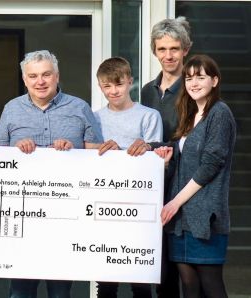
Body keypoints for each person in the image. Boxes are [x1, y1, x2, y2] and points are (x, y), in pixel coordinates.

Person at [0, 50, 102, 298]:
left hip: (66, 217)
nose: (39, 81)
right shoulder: (11, 109)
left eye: (46, 74)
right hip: (23, 216)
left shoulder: (80, 107)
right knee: (20, 291)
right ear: (24, 80)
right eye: (33, 76)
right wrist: (16, 150)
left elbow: (98, 155)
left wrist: (74, 151)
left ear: (57, 76)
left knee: (60, 292)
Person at [155, 54, 235, 298]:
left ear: (214, 80)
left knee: (211, 286)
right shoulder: (190, 115)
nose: (193, 83)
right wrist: (165, 155)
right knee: (189, 287)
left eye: (200, 77)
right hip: (181, 220)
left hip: (205, 217)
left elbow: (211, 164)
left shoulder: (219, 113)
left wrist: (175, 202)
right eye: (188, 78)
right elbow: (184, 156)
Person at [127, 17, 193, 298]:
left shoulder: (194, 88)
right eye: (162, 49)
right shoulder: (146, 92)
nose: (169, 55)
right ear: (154, 51)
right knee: (156, 266)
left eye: (175, 48)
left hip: (182, 184)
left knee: (183, 270)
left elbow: (193, 140)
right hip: (152, 185)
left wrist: (157, 148)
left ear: (185, 50)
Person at [93, 57, 162, 298]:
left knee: (140, 279)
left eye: (118, 84)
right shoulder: (95, 118)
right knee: (106, 280)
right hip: (104, 203)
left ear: (130, 82)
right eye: (107, 86)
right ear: (100, 87)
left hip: (138, 204)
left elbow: (155, 158)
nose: (113, 91)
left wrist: (138, 149)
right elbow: (89, 157)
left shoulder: (149, 116)